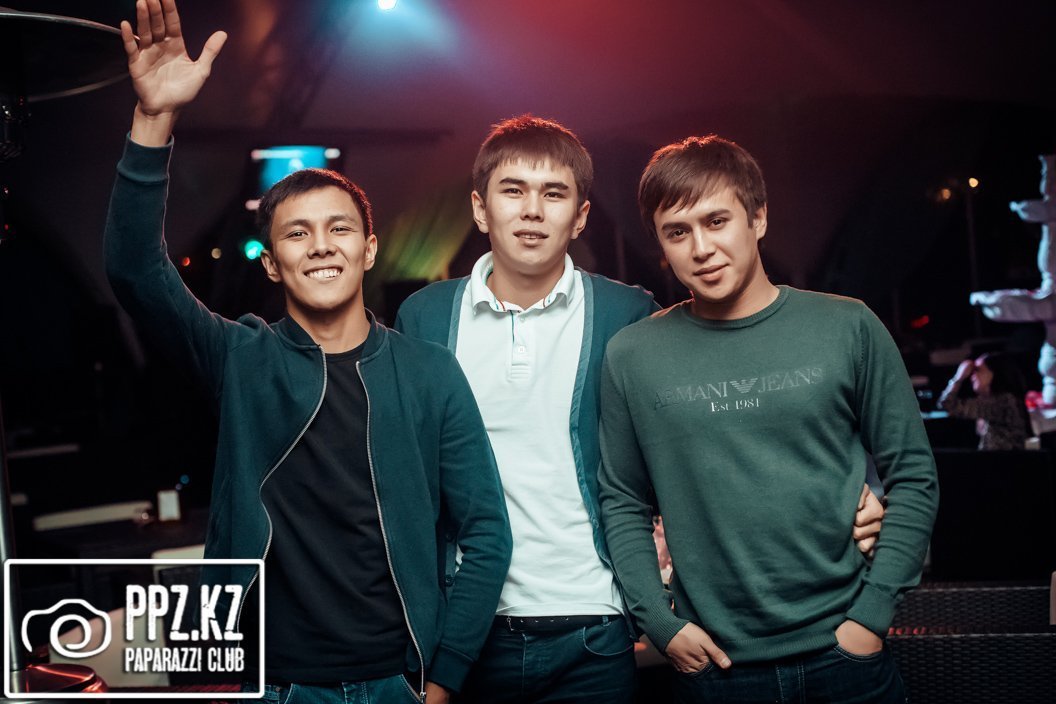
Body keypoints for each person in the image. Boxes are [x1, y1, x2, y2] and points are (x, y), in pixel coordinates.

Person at [395, 117, 887, 703]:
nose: (532, 211)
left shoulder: (627, 315)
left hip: (597, 619)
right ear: (480, 208)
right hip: (462, 623)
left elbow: (727, 414)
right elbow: (404, 474)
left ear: (580, 216)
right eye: (513, 190)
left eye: (553, 193)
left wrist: (860, 489)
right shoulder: (424, 318)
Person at [106, 2, 511, 702]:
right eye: (297, 234)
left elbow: (487, 532)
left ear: (369, 249)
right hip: (278, 684)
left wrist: (445, 676)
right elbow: (134, 270)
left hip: (400, 681)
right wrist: (154, 118)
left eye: (339, 229)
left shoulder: (428, 373)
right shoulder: (241, 358)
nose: (321, 246)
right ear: (271, 263)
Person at [598, 134, 939, 703]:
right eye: (677, 232)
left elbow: (914, 475)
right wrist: (659, 621)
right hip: (714, 667)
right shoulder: (632, 355)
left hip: (845, 653)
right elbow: (621, 499)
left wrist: (872, 616)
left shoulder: (847, 327)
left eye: (717, 221)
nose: (701, 248)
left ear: (757, 218)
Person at [939, 353, 1031, 450]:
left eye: (978, 370)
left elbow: (947, 404)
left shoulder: (1002, 401)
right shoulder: (1000, 400)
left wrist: (959, 376)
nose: (972, 376)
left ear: (993, 374)